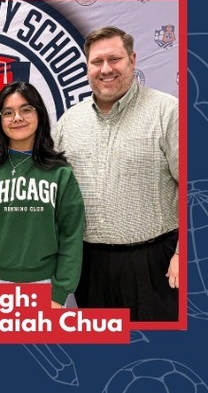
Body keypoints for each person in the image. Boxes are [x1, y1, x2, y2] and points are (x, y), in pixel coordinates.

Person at [53, 26, 179, 321]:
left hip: (154, 264)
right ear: (87, 67)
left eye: (115, 59)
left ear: (132, 60)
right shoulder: (70, 122)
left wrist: (182, 254)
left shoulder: (168, 111)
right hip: (90, 266)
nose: (106, 69)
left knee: (155, 355)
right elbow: (55, 194)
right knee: (101, 355)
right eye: (97, 62)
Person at [0, 82, 85, 306]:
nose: (17, 118)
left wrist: (60, 292)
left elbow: (71, 236)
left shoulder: (60, 173)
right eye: (8, 112)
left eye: (26, 109)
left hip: (45, 285)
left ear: (39, 114)